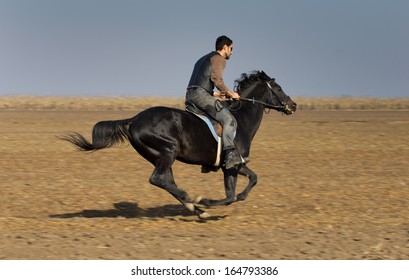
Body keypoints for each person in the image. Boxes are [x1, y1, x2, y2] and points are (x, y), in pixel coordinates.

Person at [186, 35, 247, 170]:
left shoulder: (202, 59)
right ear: (225, 47)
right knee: (229, 121)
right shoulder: (219, 59)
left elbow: (199, 84)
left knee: (213, 122)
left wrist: (219, 94)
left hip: (191, 96)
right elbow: (216, 80)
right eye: (231, 48)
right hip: (201, 96)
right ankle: (230, 156)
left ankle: (208, 161)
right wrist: (232, 94)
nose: (232, 51)